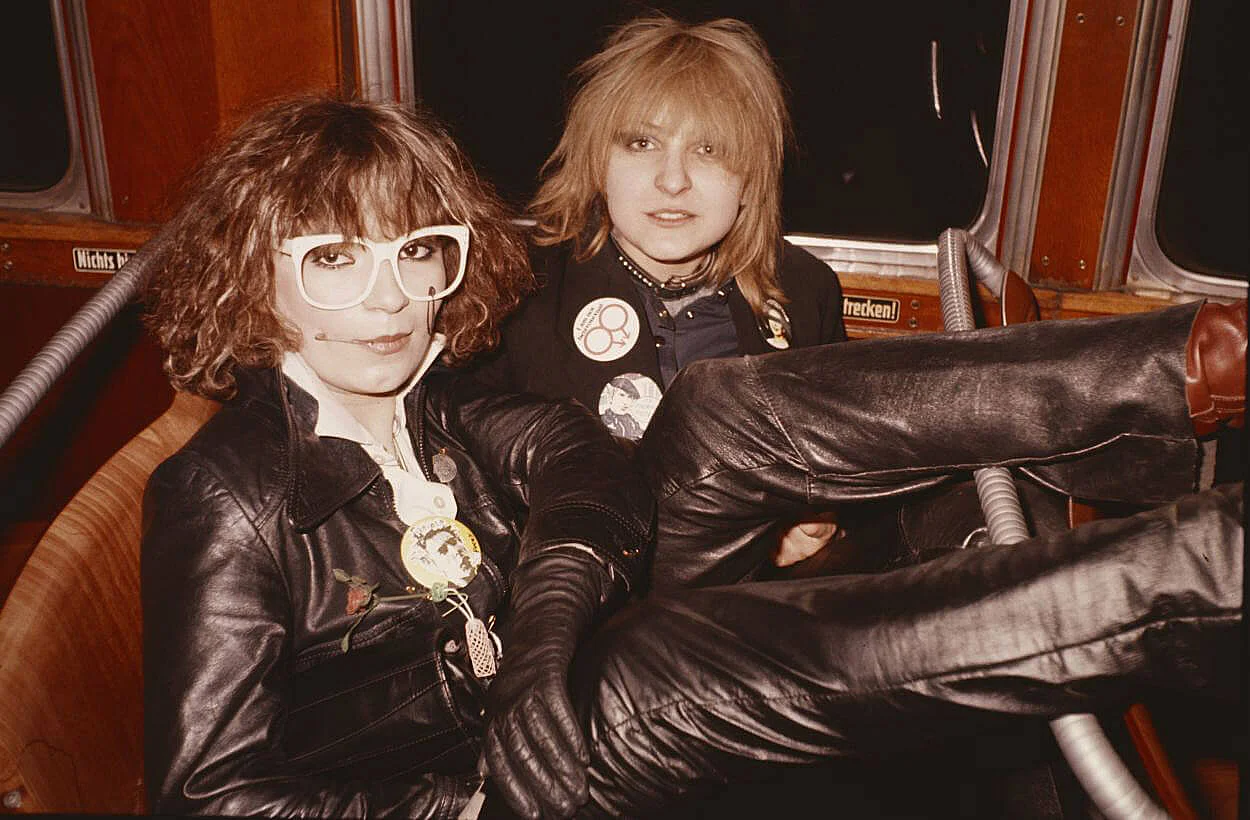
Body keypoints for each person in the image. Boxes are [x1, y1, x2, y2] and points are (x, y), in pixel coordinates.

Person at [140, 94, 1245, 819]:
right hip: (495, 787)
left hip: (552, 676)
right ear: (255, 274)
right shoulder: (222, 494)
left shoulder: (433, 397)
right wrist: (464, 797)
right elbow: (209, 795)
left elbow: (581, 463)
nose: (388, 298)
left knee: (717, 411)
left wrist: (541, 638)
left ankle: (1199, 359)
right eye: (331, 258)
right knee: (666, 680)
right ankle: (1216, 566)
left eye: (415, 252)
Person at [471, 15, 850, 567]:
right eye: (642, 142)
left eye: (710, 150)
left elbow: (837, 463)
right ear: (599, 161)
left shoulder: (806, 289)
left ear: (751, 180)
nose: (673, 181)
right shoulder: (517, 295)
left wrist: (816, 516)